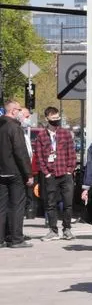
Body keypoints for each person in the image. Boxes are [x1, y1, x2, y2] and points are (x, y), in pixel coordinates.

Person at [32, 106, 78, 240]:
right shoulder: (41, 136)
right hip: (51, 174)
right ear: (47, 119)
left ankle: (67, 228)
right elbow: (39, 156)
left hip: (65, 173)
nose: (56, 121)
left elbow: (72, 153)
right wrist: (46, 172)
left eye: (58, 118)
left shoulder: (65, 133)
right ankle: (53, 230)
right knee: (50, 203)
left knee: (68, 203)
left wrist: (70, 170)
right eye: (53, 119)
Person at [1, 100, 33, 249]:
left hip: (1, 172)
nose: (21, 113)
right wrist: (29, 174)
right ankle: (16, 238)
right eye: (20, 110)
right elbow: (20, 152)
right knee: (17, 206)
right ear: (13, 111)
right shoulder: (14, 127)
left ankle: (2, 238)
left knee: (2, 206)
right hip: (15, 172)